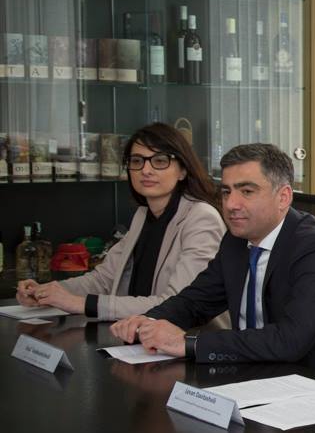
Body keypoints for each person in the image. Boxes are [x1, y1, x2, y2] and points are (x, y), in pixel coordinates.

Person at [111, 143, 315, 381]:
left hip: (314, 386)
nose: (231, 204)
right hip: (251, 374)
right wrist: (148, 322)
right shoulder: (236, 241)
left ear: (283, 197)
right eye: (226, 192)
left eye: (247, 191)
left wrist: (188, 343)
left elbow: (289, 341)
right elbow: (196, 301)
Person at [16, 123, 224, 320]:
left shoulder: (201, 218)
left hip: (189, 339)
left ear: (183, 171)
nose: (146, 170)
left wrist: (81, 304)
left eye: (160, 161)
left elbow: (177, 304)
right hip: (137, 334)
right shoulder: (143, 215)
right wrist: (47, 292)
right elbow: (103, 279)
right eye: (137, 161)